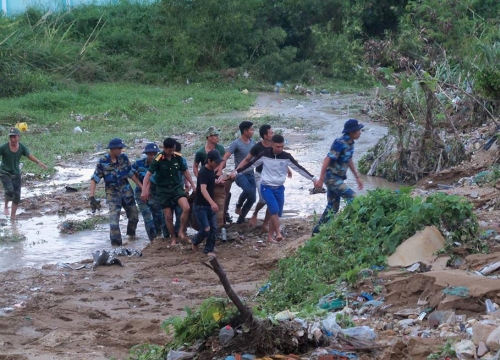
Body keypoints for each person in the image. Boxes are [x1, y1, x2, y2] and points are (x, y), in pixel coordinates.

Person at [233, 134, 319, 243]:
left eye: (282, 146)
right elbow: (250, 165)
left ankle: (270, 237)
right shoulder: (264, 155)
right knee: (274, 210)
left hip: (279, 188)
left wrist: (313, 178)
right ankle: (278, 233)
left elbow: (299, 168)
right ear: (272, 145)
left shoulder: (286, 156)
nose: (280, 149)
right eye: (278, 146)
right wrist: (236, 173)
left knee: (277, 213)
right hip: (266, 187)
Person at [312, 119, 364, 235]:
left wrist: (357, 176)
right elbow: (327, 159)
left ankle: (317, 232)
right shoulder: (339, 143)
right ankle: (352, 224)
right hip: (331, 178)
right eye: (358, 130)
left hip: (338, 178)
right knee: (353, 198)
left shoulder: (350, 143)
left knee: (333, 207)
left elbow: (349, 159)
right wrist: (320, 180)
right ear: (351, 132)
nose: (360, 133)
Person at [235, 124, 292, 230]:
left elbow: (280, 159)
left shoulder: (275, 146)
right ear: (265, 136)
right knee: (264, 199)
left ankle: (265, 223)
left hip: (272, 177)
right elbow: (247, 160)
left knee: (272, 201)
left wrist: (287, 169)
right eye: (271, 133)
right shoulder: (257, 147)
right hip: (260, 176)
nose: (273, 134)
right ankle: (255, 214)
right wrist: (236, 171)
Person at [141, 137, 196, 245]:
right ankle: (173, 237)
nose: (171, 152)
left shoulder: (178, 157)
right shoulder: (158, 158)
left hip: (176, 188)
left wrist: (192, 185)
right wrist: (144, 190)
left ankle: (181, 231)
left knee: (186, 207)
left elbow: (185, 171)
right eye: (169, 150)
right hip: (163, 190)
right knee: (168, 216)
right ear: (164, 148)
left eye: (173, 150)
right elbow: (148, 174)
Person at [90, 138, 143, 246]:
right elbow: (94, 179)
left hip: (127, 194)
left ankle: (131, 236)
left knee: (134, 217)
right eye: (119, 148)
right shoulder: (102, 162)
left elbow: (131, 174)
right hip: (113, 196)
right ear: (112, 149)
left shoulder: (123, 158)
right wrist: (91, 196)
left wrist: (143, 188)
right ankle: (116, 246)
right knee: (114, 223)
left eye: (121, 148)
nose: (120, 150)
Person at [0, 127, 47, 219]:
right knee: (9, 190)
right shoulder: (4, 147)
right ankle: (6, 206)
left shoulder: (22, 147)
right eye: (11, 137)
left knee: (17, 196)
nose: (13, 139)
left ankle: (13, 217)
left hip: (16, 172)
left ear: (19, 137)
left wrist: (38, 162)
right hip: (4, 172)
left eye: (15, 137)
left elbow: (29, 155)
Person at [193, 126, 232, 223]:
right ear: (209, 137)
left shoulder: (220, 148)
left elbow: (223, 163)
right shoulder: (200, 152)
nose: (218, 137)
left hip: (218, 175)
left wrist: (218, 171)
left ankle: (224, 212)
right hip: (206, 175)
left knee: (227, 189)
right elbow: (195, 167)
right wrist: (200, 178)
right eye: (215, 135)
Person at [131, 143, 168, 241]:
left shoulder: (162, 163)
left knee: (158, 216)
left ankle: (159, 237)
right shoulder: (139, 163)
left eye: (154, 154)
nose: (152, 156)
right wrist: (142, 187)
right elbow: (131, 174)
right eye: (150, 154)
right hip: (141, 193)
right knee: (147, 215)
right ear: (146, 154)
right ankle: (152, 239)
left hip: (155, 194)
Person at [222, 121, 256, 224]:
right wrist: (221, 169)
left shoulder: (253, 142)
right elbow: (226, 156)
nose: (253, 131)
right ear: (245, 131)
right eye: (251, 129)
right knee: (248, 191)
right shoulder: (236, 143)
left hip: (251, 173)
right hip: (240, 174)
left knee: (252, 199)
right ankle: (238, 205)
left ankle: (240, 220)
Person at [191, 150, 223, 256]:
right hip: (200, 206)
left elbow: (208, 182)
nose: (218, 164)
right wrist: (212, 203)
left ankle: (208, 250)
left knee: (214, 228)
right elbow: (203, 189)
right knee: (206, 229)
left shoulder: (211, 171)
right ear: (209, 161)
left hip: (208, 206)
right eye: (216, 162)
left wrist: (215, 182)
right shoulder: (203, 172)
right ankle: (195, 241)